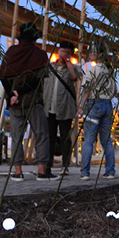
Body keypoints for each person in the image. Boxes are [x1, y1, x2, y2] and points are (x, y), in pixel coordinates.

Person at [0, 21, 53, 181]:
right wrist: (21, 92)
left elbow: (3, 77)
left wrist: (13, 94)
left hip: (15, 104)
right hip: (33, 101)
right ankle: (42, 172)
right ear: (34, 37)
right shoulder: (40, 55)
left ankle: (18, 172)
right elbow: (38, 81)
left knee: (16, 137)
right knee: (41, 135)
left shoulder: (11, 52)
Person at [76, 41, 118, 181]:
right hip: (107, 104)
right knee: (106, 140)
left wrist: (81, 107)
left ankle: (85, 172)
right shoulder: (110, 71)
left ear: (99, 54)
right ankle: (110, 171)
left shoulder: (91, 71)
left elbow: (86, 90)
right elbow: (115, 91)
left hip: (94, 104)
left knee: (89, 139)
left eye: (93, 52)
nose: (90, 55)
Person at [43, 40, 82, 175]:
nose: (64, 53)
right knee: (50, 138)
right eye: (62, 50)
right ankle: (47, 165)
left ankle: (65, 166)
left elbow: (74, 77)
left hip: (65, 108)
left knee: (65, 138)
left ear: (71, 54)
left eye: (67, 51)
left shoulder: (73, 67)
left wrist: (69, 62)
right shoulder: (49, 67)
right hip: (49, 108)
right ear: (58, 51)